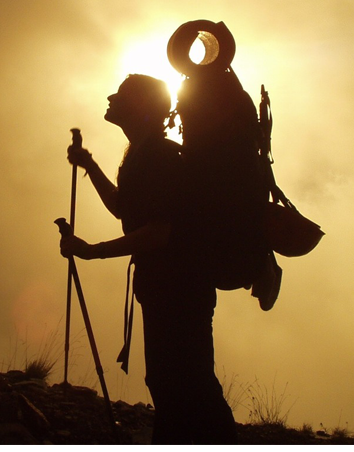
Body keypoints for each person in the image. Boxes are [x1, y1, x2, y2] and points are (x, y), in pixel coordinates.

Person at [59, 74, 238, 445]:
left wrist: (92, 251)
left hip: (180, 288)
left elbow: (160, 231)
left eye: (121, 95)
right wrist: (90, 165)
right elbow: (124, 208)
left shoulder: (159, 157)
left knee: (187, 382)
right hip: (167, 288)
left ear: (140, 105)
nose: (111, 98)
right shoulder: (143, 155)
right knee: (172, 381)